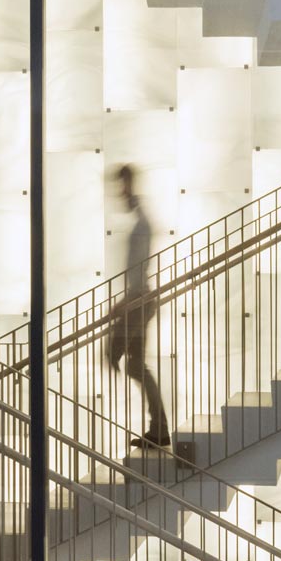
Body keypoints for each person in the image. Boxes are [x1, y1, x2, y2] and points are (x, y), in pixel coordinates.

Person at [107, 165, 172, 448]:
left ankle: (159, 427)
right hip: (139, 301)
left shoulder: (142, 223)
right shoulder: (140, 220)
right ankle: (158, 429)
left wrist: (126, 301)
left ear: (129, 184)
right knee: (134, 365)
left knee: (119, 355)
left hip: (139, 301)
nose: (118, 192)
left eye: (122, 185)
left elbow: (139, 267)